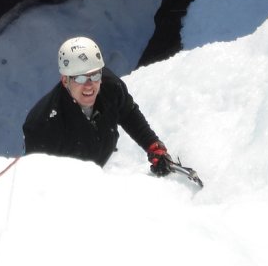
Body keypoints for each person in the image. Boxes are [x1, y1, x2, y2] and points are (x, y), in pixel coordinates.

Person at [23, 36, 172, 174]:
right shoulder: (43, 125)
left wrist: (152, 145)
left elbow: (128, 113)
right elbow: (37, 179)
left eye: (95, 75)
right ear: (65, 80)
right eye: (80, 78)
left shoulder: (111, 88)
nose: (89, 85)